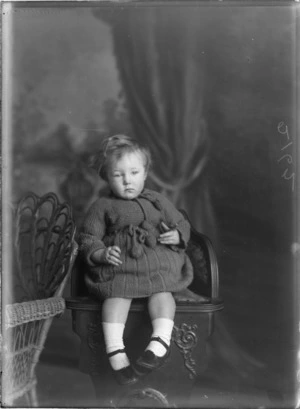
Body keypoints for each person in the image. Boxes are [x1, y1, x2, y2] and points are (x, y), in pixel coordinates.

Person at [79, 135, 193, 385]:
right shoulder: (102, 206)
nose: (127, 180)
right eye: (118, 175)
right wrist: (101, 253)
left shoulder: (157, 200)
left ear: (145, 173)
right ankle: (116, 351)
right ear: (107, 177)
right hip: (122, 266)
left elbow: (181, 222)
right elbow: (88, 237)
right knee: (116, 294)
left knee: (163, 292)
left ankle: (159, 343)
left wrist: (177, 236)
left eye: (133, 172)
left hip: (158, 263)